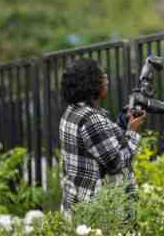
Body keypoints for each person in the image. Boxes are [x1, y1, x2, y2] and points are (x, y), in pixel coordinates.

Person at [59, 58, 146, 215]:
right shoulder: (91, 119)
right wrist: (133, 131)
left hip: (76, 203)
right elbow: (116, 162)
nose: (106, 78)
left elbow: (101, 147)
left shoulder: (71, 112)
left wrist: (122, 123)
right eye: (102, 75)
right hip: (98, 213)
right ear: (90, 83)